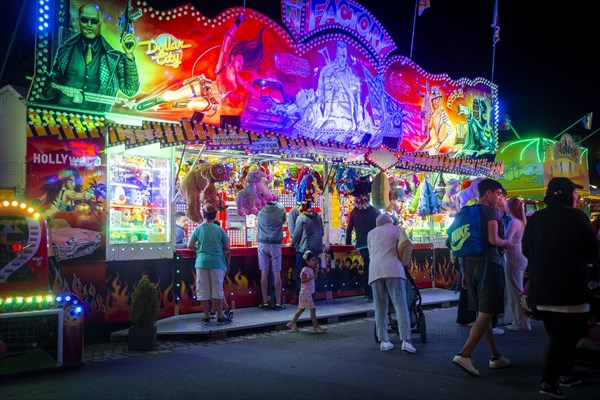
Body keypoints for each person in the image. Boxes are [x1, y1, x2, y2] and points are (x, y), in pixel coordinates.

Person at [522, 177, 598, 398]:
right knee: (567, 335)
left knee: (558, 334)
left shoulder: (535, 219)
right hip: (569, 289)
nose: (577, 197)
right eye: (574, 193)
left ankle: (566, 373)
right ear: (566, 194)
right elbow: (591, 251)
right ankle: (549, 381)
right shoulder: (577, 217)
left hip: (540, 288)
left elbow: (526, 249)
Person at [136, 13, 265, 122]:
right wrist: (237, 23)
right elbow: (226, 40)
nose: (240, 66)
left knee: (192, 105)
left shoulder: (237, 78)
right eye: (239, 62)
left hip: (213, 102)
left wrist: (260, 95)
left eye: (242, 65)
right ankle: (161, 99)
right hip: (205, 87)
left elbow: (247, 86)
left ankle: (184, 103)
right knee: (171, 97)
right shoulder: (222, 67)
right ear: (232, 58)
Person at [452, 178, 511, 376]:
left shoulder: (466, 211)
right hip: (488, 264)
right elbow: (494, 239)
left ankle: (496, 356)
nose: (499, 198)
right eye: (498, 194)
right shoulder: (490, 211)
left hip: (469, 265)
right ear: (489, 193)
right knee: (487, 312)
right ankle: (465, 354)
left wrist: (463, 272)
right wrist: (507, 243)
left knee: (481, 312)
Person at [41, 3, 139, 113]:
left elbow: (130, 90)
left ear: (100, 23)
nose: (89, 25)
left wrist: (129, 56)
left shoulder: (114, 58)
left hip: (97, 118)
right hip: (64, 114)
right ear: (79, 21)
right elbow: (52, 87)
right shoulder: (64, 50)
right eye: (84, 19)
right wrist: (43, 83)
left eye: (94, 21)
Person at [367, 213, 416, 353]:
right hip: (394, 269)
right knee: (400, 305)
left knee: (380, 308)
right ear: (390, 221)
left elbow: (371, 253)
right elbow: (406, 245)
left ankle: (384, 341)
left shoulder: (371, 233)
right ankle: (406, 340)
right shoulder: (397, 229)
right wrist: (405, 262)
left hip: (375, 271)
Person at [187, 206, 232, 325]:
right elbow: (227, 247)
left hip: (201, 262)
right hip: (217, 263)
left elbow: (190, 245)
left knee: (203, 290)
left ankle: (206, 316)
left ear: (203, 214)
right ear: (215, 215)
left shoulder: (198, 229)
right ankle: (220, 317)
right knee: (217, 290)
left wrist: (199, 249)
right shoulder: (219, 229)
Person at [313, 40, 364, 138]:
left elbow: (357, 97)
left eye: (344, 56)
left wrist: (359, 118)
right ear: (336, 55)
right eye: (340, 56)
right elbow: (321, 92)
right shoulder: (328, 71)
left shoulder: (351, 75)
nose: (341, 59)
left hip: (348, 118)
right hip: (331, 115)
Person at [504, 197, 531, 332]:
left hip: (513, 257)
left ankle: (520, 323)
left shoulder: (513, 223)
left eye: (506, 205)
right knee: (518, 289)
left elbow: (506, 241)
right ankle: (522, 321)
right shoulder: (521, 221)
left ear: (510, 208)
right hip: (520, 257)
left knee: (514, 292)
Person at [345, 197, 380, 301]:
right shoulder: (374, 211)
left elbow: (349, 229)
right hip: (373, 244)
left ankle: (367, 291)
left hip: (362, 244)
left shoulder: (354, 212)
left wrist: (348, 243)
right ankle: (370, 292)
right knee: (370, 267)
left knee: (367, 266)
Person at [286, 250, 327, 334]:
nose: (314, 261)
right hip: (305, 292)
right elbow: (303, 280)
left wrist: (316, 271)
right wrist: (313, 276)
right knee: (313, 309)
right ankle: (315, 327)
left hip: (307, 292)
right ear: (307, 261)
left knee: (301, 309)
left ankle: (292, 323)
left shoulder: (310, 269)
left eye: (314, 260)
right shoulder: (305, 270)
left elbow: (313, 277)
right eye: (313, 260)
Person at [257, 200, 287, 310]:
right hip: (275, 244)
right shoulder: (280, 209)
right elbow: (284, 221)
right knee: (276, 273)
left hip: (262, 243)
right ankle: (278, 303)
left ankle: (265, 302)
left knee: (264, 273)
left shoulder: (260, 208)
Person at [291, 205, 324, 296]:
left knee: (300, 274)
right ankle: (312, 296)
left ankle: (300, 297)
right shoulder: (318, 217)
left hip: (304, 250)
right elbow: (322, 232)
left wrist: (292, 244)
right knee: (313, 273)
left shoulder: (301, 218)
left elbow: (296, 235)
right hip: (316, 250)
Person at [417, 86, 456, 154]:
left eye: (437, 99)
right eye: (433, 100)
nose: (435, 102)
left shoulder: (443, 115)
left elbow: (452, 132)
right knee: (415, 156)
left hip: (438, 148)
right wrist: (423, 120)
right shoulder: (431, 115)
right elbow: (427, 137)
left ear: (440, 100)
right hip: (430, 145)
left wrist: (440, 145)